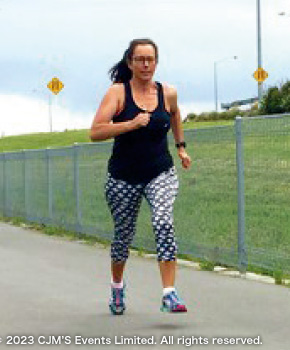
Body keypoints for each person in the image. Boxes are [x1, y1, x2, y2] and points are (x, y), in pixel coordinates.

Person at [89, 38, 191, 315]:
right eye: (140, 59)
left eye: (151, 59)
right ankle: (117, 287)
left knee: (163, 221)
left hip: (160, 171)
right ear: (130, 62)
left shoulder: (167, 92)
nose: (146, 64)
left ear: (156, 62)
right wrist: (130, 124)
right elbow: (95, 131)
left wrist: (181, 147)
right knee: (124, 236)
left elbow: (175, 115)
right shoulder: (118, 93)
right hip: (123, 177)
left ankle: (169, 293)